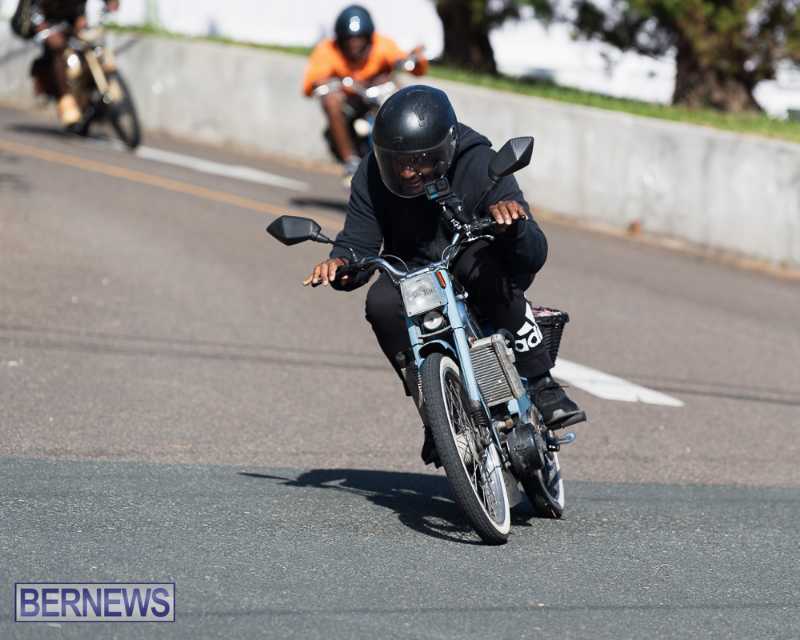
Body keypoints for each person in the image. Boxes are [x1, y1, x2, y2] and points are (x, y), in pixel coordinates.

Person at [304, 84, 586, 464]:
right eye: (396, 161)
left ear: (444, 149)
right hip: (413, 268)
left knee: (480, 266)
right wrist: (339, 264)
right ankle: (435, 416)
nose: (406, 171)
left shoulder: (480, 161)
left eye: (418, 160)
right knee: (381, 303)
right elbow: (358, 241)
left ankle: (542, 382)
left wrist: (512, 223)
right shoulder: (369, 176)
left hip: (471, 251)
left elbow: (534, 252)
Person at [302, 4, 428, 180]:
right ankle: (350, 161)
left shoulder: (382, 45)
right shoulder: (327, 50)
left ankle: (406, 153)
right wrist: (330, 83)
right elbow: (310, 84)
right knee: (331, 100)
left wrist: (415, 60)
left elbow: (409, 64)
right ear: (339, 41)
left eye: (360, 40)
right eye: (349, 41)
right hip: (349, 101)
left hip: (377, 97)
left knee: (401, 98)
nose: (354, 45)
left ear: (369, 38)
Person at [10, 0, 120, 126]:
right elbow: (32, 10)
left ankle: (102, 87)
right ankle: (66, 100)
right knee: (57, 51)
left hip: (72, 19)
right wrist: (43, 28)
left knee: (91, 46)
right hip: (46, 23)